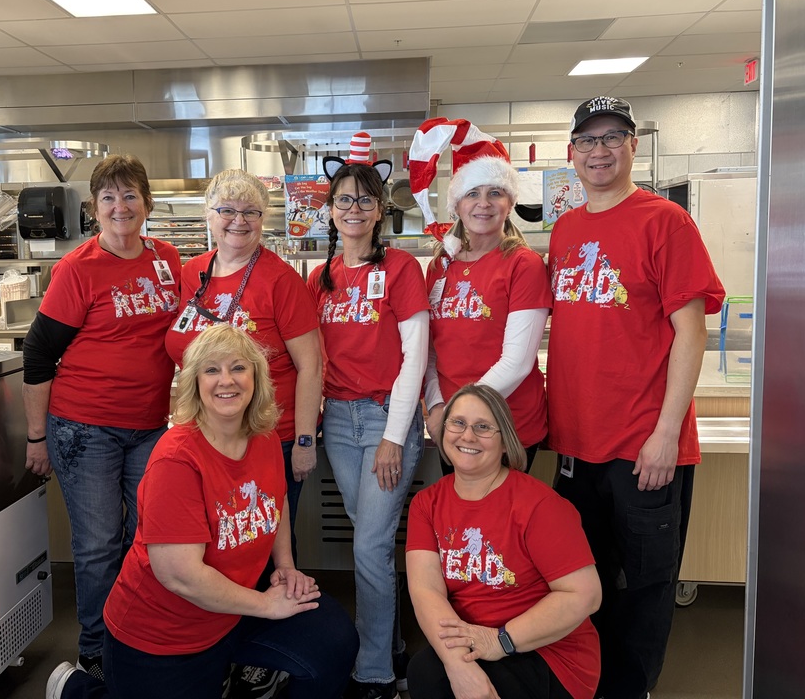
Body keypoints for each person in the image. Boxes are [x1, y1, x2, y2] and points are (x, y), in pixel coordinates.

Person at [46, 324, 358, 699]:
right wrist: (265, 604)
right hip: (163, 637)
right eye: (211, 370)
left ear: (257, 377)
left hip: (233, 612)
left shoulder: (265, 437)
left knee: (334, 642)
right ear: (194, 383)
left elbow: (275, 501)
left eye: (238, 367)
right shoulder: (177, 459)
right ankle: (75, 689)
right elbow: (181, 576)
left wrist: (286, 566)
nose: (226, 380)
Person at [546, 96, 725, 699]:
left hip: (644, 446)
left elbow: (692, 330)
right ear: (572, 153)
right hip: (577, 446)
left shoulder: (664, 221)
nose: (600, 150)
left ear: (633, 146)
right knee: (582, 582)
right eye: (588, 140)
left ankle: (631, 690)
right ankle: (588, 685)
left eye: (612, 137)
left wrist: (667, 434)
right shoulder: (567, 229)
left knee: (645, 587)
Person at [22, 153, 180, 680]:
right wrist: (37, 437)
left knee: (147, 537)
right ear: (94, 208)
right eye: (109, 197)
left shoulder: (167, 259)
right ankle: (97, 649)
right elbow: (40, 354)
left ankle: (137, 634)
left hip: (149, 426)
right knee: (97, 546)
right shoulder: (78, 268)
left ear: (147, 203)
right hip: (84, 428)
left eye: (130, 195)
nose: (120, 206)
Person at [306, 145, 429, 699]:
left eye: (364, 200)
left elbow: (415, 356)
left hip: (385, 417)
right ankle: (395, 647)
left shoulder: (402, 268)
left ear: (381, 208)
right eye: (342, 200)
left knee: (368, 546)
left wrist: (393, 436)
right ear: (330, 208)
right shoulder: (321, 276)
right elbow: (309, 359)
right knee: (371, 542)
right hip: (337, 423)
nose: (352, 208)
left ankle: (375, 671)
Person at [405, 384, 602, 699]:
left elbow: (585, 596)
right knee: (426, 672)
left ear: (505, 441)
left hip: (546, 650)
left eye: (483, 427)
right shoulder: (427, 504)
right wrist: (459, 666)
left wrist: (501, 641)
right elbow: (426, 590)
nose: (467, 436)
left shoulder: (539, 505)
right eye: (457, 423)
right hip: (471, 642)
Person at [165, 168, 321, 531]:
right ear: (209, 215)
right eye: (227, 211)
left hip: (267, 438)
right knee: (213, 538)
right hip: (203, 435)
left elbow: (311, 367)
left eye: (251, 212)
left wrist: (304, 442)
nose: (239, 221)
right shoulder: (193, 272)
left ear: (263, 219)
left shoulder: (281, 280)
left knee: (264, 537)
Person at [410, 120, 550, 470]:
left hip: (506, 425)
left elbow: (516, 363)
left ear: (510, 202)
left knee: (501, 522)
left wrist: (456, 413)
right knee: (460, 521)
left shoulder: (523, 264)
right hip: (453, 427)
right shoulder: (440, 265)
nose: (483, 204)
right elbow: (430, 353)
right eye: (472, 193)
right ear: (457, 205)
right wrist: (438, 408)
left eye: (495, 192)